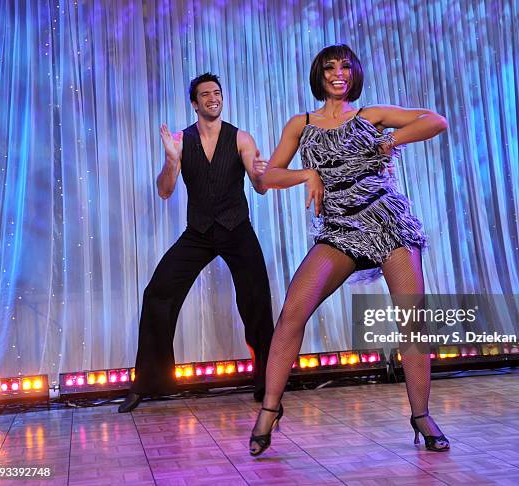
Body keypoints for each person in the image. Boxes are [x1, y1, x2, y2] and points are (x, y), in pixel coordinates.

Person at [248, 45, 450, 455]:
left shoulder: (370, 115)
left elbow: (436, 121)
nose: (338, 74)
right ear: (319, 76)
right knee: (292, 312)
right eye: (329, 68)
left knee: (411, 319)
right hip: (340, 228)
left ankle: (421, 416)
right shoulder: (301, 124)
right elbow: (269, 177)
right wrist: (307, 173)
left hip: (387, 219)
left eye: (344, 67)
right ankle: (270, 409)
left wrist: (389, 141)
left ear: (354, 73)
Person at [119, 73, 274, 413]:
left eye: (216, 93)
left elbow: (260, 187)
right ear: (195, 103)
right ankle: (150, 382)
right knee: (158, 292)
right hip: (200, 232)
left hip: (236, 228)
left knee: (257, 300)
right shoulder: (181, 140)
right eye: (205, 95)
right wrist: (172, 160)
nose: (212, 98)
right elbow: (164, 190)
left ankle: (269, 381)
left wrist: (261, 174)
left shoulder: (241, 138)